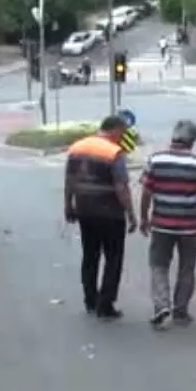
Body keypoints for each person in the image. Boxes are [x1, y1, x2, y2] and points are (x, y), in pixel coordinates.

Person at [139, 120, 196, 327]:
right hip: (190, 226)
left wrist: (144, 217)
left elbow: (146, 192)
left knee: (158, 265)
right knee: (187, 268)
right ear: (193, 140)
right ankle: (181, 311)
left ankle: (161, 304)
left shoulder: (156, 159)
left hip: (162, 223)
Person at [64, 115, 138, 319]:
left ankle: (90, 300)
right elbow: (121, 187)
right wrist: (131, 214)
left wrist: (68, 205)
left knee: (90, 256)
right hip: (111, 213)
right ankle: (106, 305)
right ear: (114, 129)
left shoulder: (77, 147)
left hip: (85, 210)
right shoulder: (114, 152)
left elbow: (69, 179)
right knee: (113, 258)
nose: (123, 137)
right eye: (122, 132)